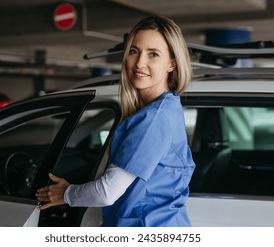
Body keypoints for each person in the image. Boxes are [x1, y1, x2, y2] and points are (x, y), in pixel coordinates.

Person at [36, 15, 196, 227]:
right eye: (134, 51)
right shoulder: (165, 108)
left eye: (153, 54)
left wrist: (66, 193)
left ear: (172, 64)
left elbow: (107, 192)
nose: (140, 63)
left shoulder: (153, 118)